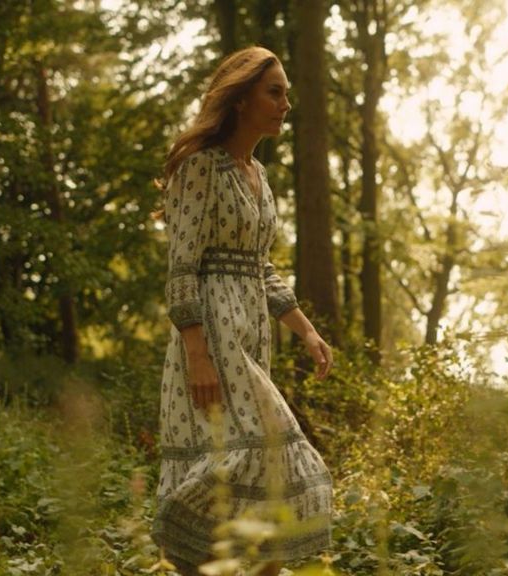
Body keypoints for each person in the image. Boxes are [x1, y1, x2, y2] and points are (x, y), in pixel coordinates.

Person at [150, 46, 335, 576]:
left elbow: (262, 267)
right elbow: (183, 266)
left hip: (253, 337)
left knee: (248, 471)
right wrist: (197, 354)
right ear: (240, 99)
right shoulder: (199, 167)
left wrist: (305, 331)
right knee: (264, 453)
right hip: (211, 339)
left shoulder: (258, 175)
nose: (284, 104)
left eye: (287, 94)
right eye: (273, 92)